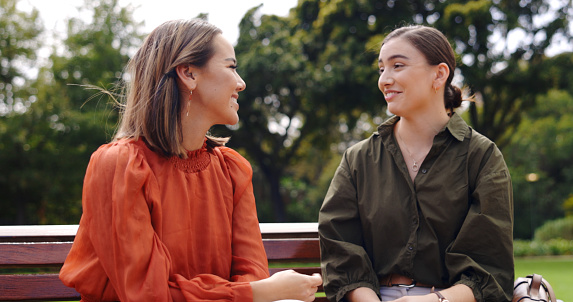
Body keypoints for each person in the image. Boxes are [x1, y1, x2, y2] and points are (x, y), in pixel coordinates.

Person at [59, 19, 322, 302]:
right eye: (231, 67)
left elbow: (251, 276)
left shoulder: (232, 170)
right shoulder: (120, 166)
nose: (241, 83)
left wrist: (256, 291)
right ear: (188, 73)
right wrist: (260, 291)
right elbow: (149, 295)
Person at [318, 25, 514, 302]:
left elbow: (488, 266)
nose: (384, 79)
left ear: (439, 74)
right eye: (381, 69)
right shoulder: (358, 159)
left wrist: (434, 301)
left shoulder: (482, 157)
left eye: (397, 65)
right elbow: (341, 251)